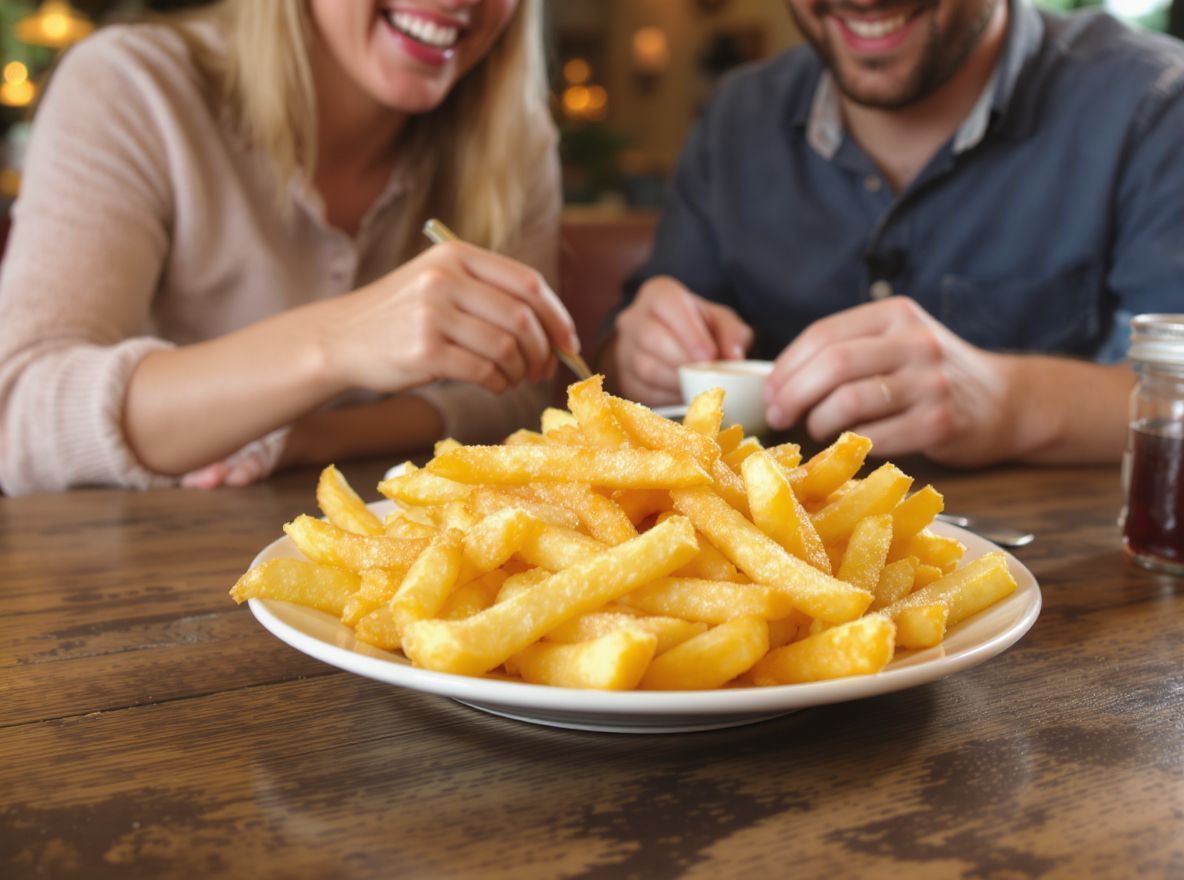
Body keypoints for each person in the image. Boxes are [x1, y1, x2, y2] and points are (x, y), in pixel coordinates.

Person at [0, 0, 579, 495]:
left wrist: (305, 440)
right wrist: (335, 339)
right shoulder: (131, 84)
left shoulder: (513, 138)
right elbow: (20, 415)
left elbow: (512, 398)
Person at [606, 0, 1184, 467]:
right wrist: (644, 356)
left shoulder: (1153, 101)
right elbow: (613, 357)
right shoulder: (737, 115)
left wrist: (1007, 403)